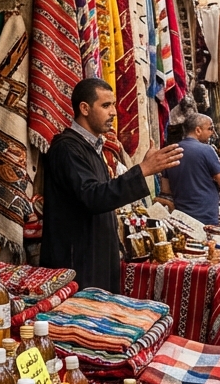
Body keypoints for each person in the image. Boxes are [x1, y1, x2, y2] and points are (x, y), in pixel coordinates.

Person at [41, 78, 183, 292]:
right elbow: (93, 197)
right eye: (106, 105)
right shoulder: (67, 149)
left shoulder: (92, 148)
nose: (114, 112)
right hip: (76, 265)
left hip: (93, 259)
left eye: (113, 105)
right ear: (84, 108)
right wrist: (142, 170)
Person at [159, 114, 220, 225]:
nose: (212, 133)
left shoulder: (171, 151)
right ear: (198, 130)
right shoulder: (207, 150)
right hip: (205, 215)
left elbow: (165, 189)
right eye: (210, 129)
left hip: (181, 215)